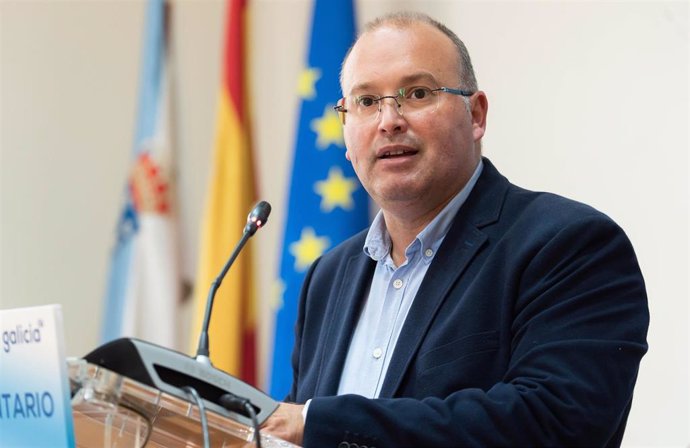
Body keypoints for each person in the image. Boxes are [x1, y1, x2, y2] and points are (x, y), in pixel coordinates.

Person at [263, 11, 649, 447]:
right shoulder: (327, 277)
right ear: (346, 133)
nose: (388, 120)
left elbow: (555, 422)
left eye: (417, 93)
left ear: (476, 115)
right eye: (366, 102)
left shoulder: (570, 246)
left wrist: (322, 422)